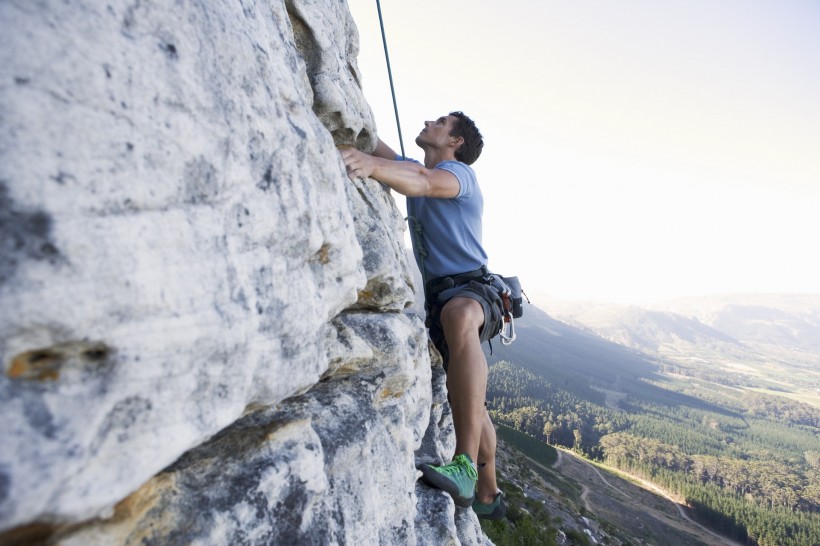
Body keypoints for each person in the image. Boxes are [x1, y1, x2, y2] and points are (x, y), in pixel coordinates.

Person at [341, 112, 505, 520]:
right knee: (472, 403)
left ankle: (464, 465)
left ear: (456, 143)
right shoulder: (416, 169)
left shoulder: (458, 175)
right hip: (441, 300)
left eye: (442, 121)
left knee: (461, 316)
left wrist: (375, 166)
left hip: (472, 289)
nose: (430, 120)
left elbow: (425, 182)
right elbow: (378, 146)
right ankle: (490, 492)